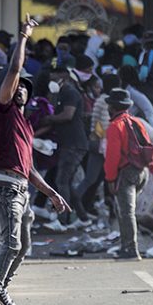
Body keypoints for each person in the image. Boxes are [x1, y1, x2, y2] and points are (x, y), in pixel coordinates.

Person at [0, 17, 69, 305]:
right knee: (11, 243)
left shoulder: (26, 127)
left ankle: (2, 286)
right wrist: (24, 37)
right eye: (17, 87)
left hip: (21, 188)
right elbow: (15, 71)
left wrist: (52, 194)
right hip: (5, 187)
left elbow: (29, 170)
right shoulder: (4, 111)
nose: (20, 90)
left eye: (26, 89)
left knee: (24, 245)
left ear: (29, 97)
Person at [103, 88, 153, 260]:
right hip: (142, 173)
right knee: (125, 210)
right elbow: (149, 149)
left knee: (126, 212)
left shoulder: (115, 127)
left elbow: (112, 157)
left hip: (126, 173)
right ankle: (126, 247)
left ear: (113, 107)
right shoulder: (137, 122)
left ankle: (130, 249)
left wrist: (110, 178)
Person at [42, 65, 91, 224]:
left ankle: (63, 220)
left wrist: (50, 119)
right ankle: (83, 218)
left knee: (61, 182)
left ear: (63, 76)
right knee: (66, 183)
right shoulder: (60, 93)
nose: (52, 82)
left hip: (74, 144)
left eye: (54, 78)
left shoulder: (70, 93)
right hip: (69, 143)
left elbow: (67, 115)